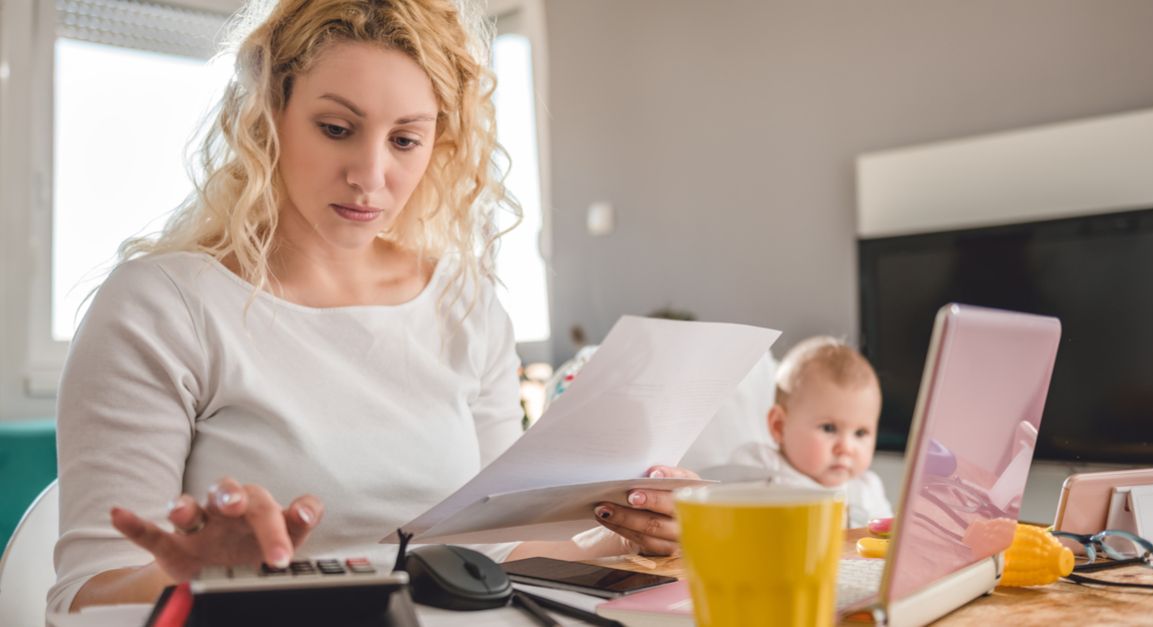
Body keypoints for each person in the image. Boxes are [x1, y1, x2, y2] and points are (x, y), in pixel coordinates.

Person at [49, 0, 693, 612]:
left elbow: (493, 554)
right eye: (336, 129)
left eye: (405, 140)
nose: (370, 174)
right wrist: (203, 575)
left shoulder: (465, 306)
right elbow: (83, 594)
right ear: (268, 114)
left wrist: (626, 528)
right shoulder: (162, 307)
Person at [728, 336, 892, 527]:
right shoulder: (761, 466)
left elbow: (887, 542)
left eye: (860, 433)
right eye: (829, 428)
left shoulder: (867, 490)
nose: (846, 448)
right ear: (779, 426)